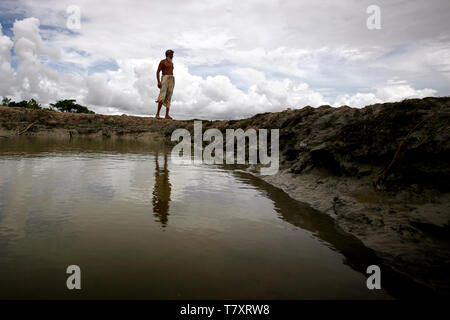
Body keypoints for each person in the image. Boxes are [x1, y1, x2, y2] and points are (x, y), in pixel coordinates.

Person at [155, 49, 175, 119]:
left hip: (171, 79)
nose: (172, 56)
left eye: (172, 55)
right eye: (171, 55)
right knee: (162, 95)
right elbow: (157, 72)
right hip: (165, 78)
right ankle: (157, 114)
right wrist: (158, 81)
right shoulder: (163, 62)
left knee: (169, 96)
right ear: (167, 55)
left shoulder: (171, 63)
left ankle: (167, 115)